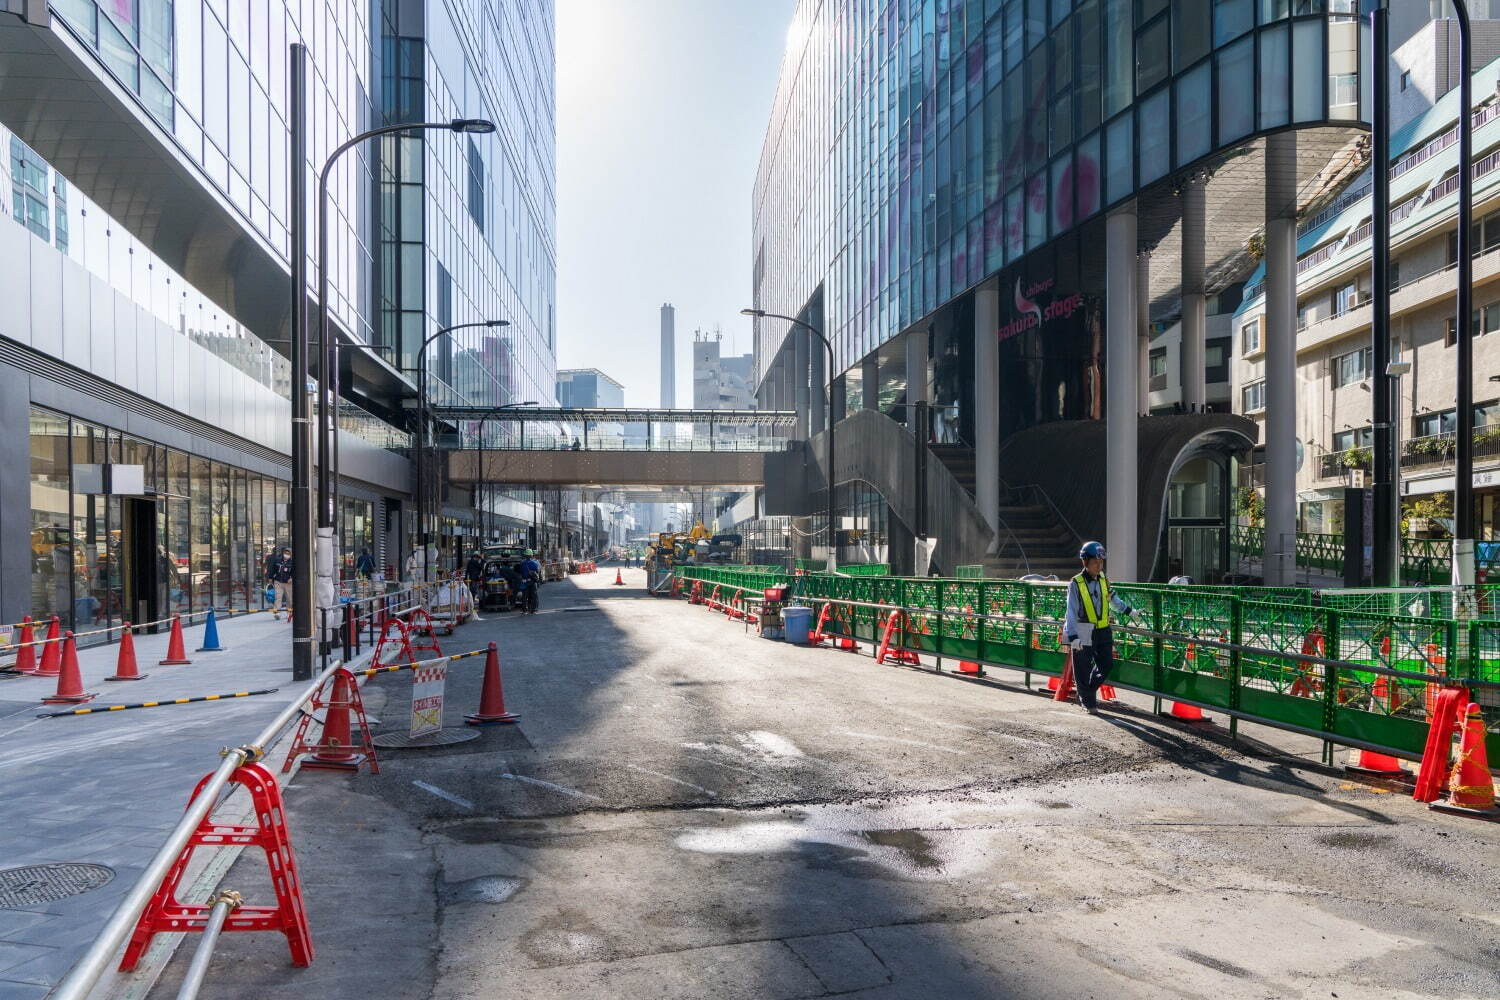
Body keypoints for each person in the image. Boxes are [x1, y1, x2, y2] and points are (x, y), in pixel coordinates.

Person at [1063, 541, 1136, 715]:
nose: (1099, 565)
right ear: (1085, 562)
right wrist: (1072, 636)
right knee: (1082, 668)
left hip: (1103, 630)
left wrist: (1129, 611)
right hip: (1083, 628)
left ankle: (1086, 692)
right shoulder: (1076, 583)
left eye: (1101, 562)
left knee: (1106, 664)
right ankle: (1088, 702)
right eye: (1095, 562)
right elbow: (1071, 611)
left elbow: (1114, 601)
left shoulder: (1104, 579)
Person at [266, 546, 294, 620]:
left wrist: (292, 578)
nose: (286, 554)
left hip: (288, 583)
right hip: (278, 582)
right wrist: (270, 578)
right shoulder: (277, 560)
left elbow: (295, 572)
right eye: (285, 553)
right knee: (278, 597)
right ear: (283, 553)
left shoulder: (292, 562)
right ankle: (277, 612)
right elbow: (272, 569)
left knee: (289, 598)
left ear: (291, 555)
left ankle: (289, 612)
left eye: (288, 553)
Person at [518, 548, 542, 614]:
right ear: (531, 555)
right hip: (532, 582)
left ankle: (524, 610)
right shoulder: (534, 563)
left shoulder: (522, 563)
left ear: (525, 555)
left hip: (525, 582)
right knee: (534, 596)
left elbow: (520, 572)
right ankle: (534, 610)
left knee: (525, 596)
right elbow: (538, 571)